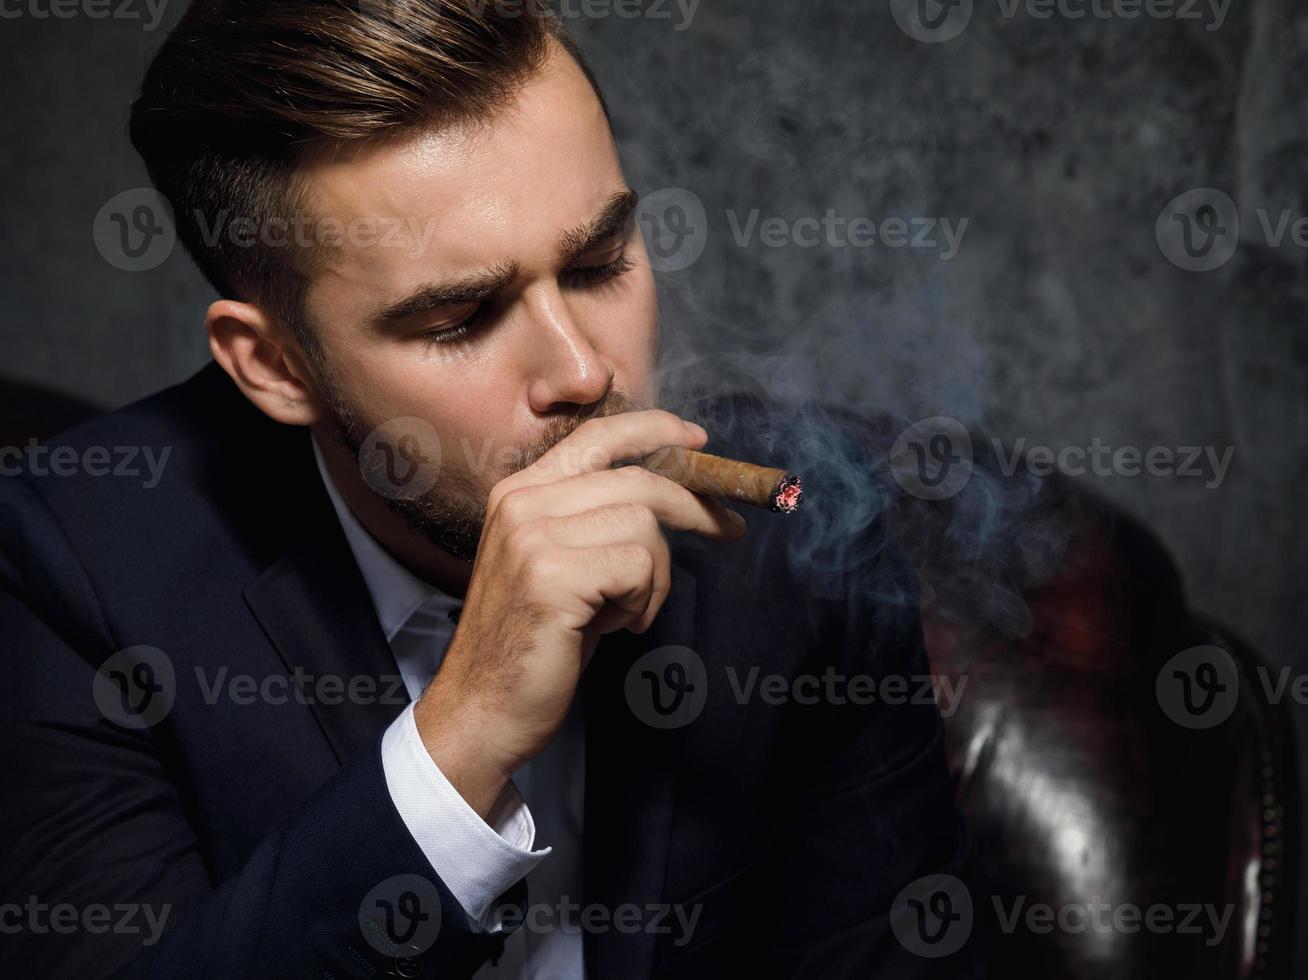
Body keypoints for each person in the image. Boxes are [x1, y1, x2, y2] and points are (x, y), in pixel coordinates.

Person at [0, 2, 980, 976]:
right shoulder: (68, 571)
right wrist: (459, 737)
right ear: (276, 364)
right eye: (462, 317)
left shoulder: (794, 558)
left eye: (600, 263)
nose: (583, 372)